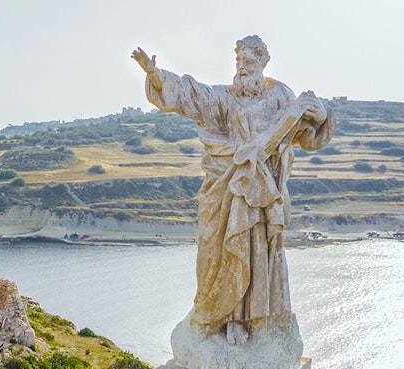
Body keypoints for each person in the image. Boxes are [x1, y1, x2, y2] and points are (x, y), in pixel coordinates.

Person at [133, 36, 334, 345]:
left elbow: (308, 137)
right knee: (216, 252)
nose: (242, 68)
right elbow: (190, 93)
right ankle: (222, 318)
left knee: (257, 254)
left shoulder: (281, 97)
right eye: (238, 62)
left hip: (263, 190)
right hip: (224, 186)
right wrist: (156, 76)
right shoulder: (223, 99)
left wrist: (320, 115)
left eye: (249, 63)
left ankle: (252, 321)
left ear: (263, 65)